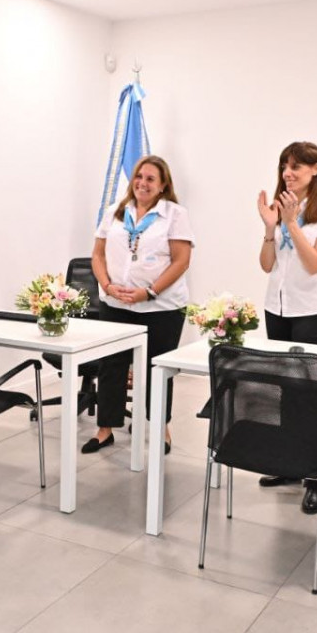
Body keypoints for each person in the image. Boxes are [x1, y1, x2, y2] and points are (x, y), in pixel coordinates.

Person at [255, 141, 317, 488]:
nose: (287, 173)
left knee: (307, 392)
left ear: (315, 169)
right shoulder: (281, 206)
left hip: (311, 308)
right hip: (277, 306)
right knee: (285, 388)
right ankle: (290, 463)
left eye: (295, 166)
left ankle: (313, 472)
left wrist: (291, 223)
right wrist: (270, 228)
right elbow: (267, 265)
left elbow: (315, 263)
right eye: (284, 166)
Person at [88, 155, 194, 455]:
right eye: (139, 176)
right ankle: (105, 429)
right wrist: (107, 285)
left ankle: (160, 428)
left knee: (157, 368)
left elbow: (181, 261)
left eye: (150, 179)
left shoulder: (174, 214)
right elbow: (97, 254)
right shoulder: (115, 211)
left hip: (161, 308)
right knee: (112, 366)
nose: (142, 183)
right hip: (116, 303)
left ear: (163, 186)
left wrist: (149, 292)